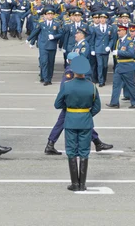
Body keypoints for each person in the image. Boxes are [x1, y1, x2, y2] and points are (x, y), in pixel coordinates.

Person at [45, 52, 112, 156]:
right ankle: (97, 142)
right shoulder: (70, 72)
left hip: (72, 104)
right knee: (79, 124)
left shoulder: (72, 70)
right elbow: (65, 88)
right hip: (71, 104)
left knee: (65, 124)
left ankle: (50, 144)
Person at [54, 56, 101, 192]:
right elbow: (97, 107)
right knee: (84, 151)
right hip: (85, 121)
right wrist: (86, 114)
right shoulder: (92, 87)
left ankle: (75, 183)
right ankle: (82, 184)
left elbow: (57, 104)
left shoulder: (67, 85)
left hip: (70, 120)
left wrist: (71, 110)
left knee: (71, 151)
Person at [106, 25, 135, 109]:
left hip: (127, 66)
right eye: (118, 31)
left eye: (120, 31)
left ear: (125, 31)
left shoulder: (129, 41)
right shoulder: (119, 41)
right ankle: (114, 102)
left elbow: (131, 53)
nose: (118, 32)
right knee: (116, 85)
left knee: (130, 85)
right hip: (119, 66)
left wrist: (119, 52)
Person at [27, 6, 62, 86]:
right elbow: (35, 32)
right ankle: (46, 78)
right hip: (43, 45)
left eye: (51, 14)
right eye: (48, 14)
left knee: (51, 63)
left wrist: (54, 37)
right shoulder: (41, 23)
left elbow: (61, 33)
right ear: (45, 15)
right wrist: (29, 39)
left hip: (52, 46)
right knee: (44, 62)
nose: (50, 16)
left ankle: (49, 78)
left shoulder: (57, 23)